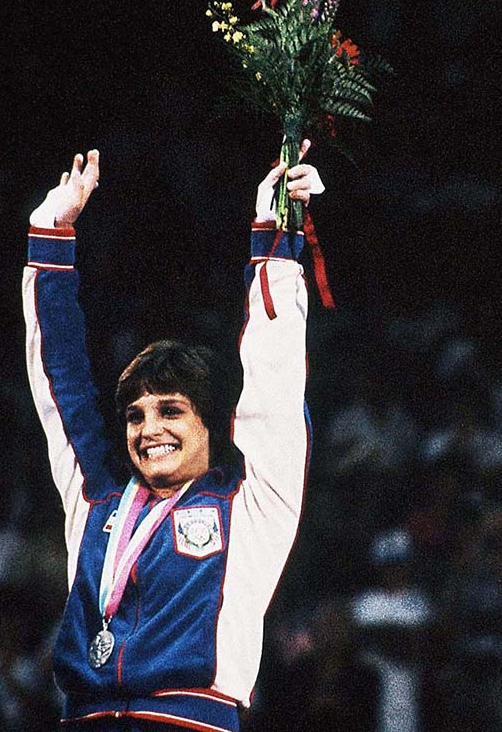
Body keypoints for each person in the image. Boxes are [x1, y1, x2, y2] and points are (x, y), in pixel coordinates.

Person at [22, 145, 324, 731]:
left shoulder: (252, 508)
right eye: (135, 416)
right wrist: (49, 237)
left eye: (171, 412)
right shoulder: (95, 505)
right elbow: (60, 386)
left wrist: (275, 247)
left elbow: (276, 391)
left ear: (212, 423)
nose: (149, 429)